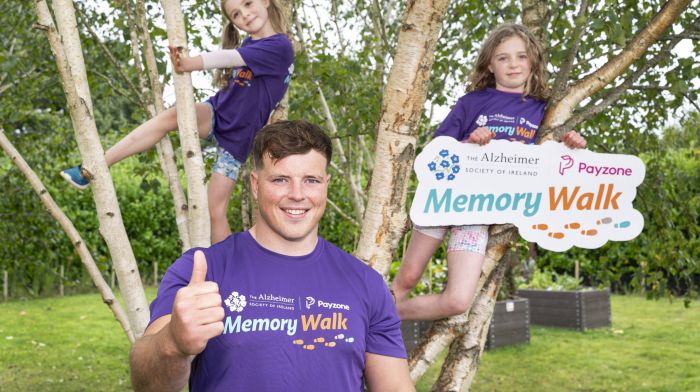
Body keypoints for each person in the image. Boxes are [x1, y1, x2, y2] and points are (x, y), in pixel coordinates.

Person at [129, 120, 415, 391]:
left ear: (326, 184)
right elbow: (146, 383)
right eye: (280, 180)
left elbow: (395, 386)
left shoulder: (365, 283)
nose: (297, 194)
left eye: (311, 180)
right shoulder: (202, 271)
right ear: (255, 185)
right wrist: (173, 343)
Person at [391, 23, 587, 321]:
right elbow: (436, 152)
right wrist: (468, 142)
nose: (513, 64)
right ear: (490, 65)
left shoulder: (543, 110)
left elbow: (551, 160)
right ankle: (374, 329)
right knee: (407, 277)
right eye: (503, 58)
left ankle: (380, 317)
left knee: (457, 301)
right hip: (444, 202)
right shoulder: (472, 103)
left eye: (521, 56)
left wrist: (572, 143)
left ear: (533, 61)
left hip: (477, 214)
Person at [60, 0, 295, 243]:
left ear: (265, 1)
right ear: (232, 22)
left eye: (248, 4)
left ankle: (226, 274)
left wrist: (190, 64)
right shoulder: (251, 42)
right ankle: (95, 167)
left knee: (214, 210)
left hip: (238, 137)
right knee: (169, 118)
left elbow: (228, 57)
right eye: (236, 14)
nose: (245, 15)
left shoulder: (280, 46)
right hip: (218, 112)